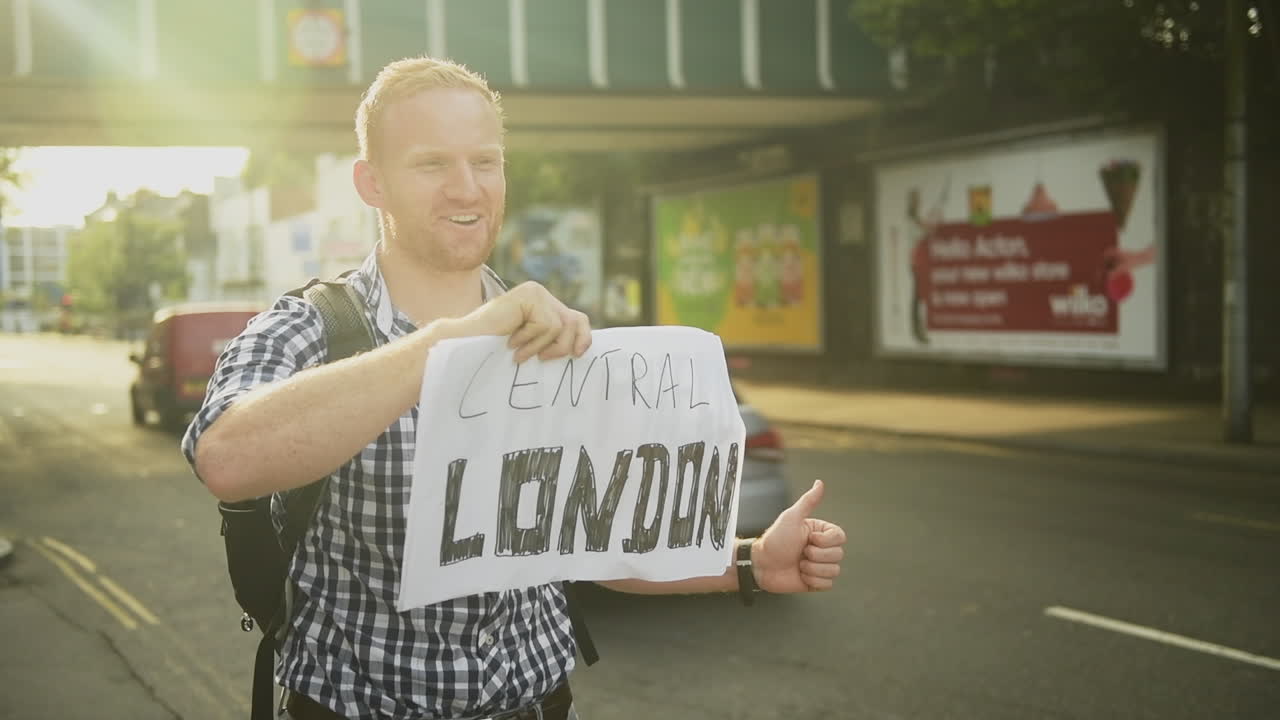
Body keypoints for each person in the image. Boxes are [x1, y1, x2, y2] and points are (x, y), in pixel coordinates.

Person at [183, 56, 847, 720]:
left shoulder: (552, 334)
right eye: (431, 164)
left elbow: (592, 543)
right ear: (372, 183)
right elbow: (226, 459)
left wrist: (752, 562)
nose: (467, 189)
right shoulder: (308, 329)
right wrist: (455, 342)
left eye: (486, 162)